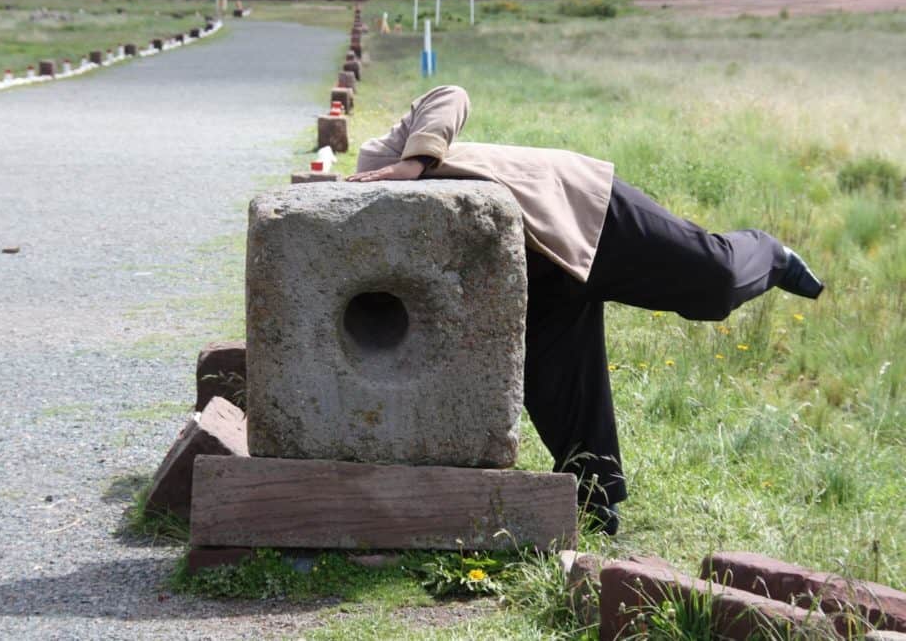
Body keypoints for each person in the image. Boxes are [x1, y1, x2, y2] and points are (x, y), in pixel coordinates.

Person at [347, 85, 823, 535]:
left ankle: (769, 254)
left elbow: (449, 94)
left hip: (579, 208)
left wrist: (414, 163)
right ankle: (597, 501)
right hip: (534, 272)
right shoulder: (350, 254)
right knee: (558, 385)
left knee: (714, 284)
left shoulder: (373, 164)